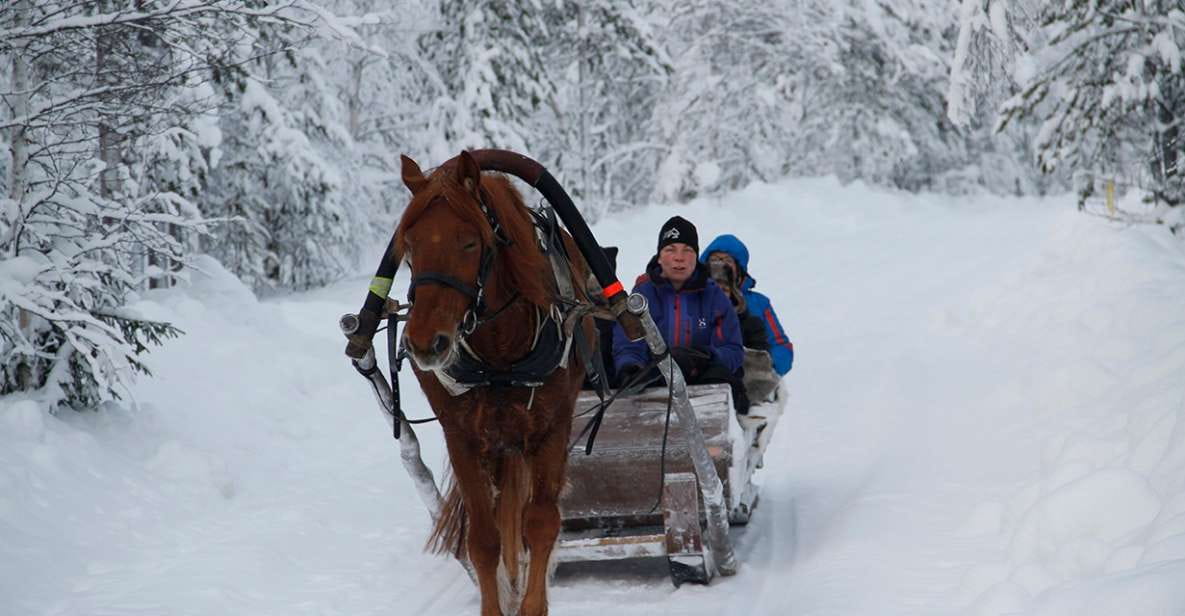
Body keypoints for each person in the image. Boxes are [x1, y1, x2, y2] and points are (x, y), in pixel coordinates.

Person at [612, 216, 750, 413]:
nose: (679, 257)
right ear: (659, 256)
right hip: (654, 385)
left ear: (697, 256)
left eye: (687, 250)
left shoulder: (714, 296)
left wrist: (704, 357)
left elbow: (733, 350)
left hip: (703, 386)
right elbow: (628, 344)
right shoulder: (642, 294)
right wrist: (630, 367)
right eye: (671, 249)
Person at [700, 234, 794, 376]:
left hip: (752, 377)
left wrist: (766, 369)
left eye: (727, 260)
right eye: (714, 259)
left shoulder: (759, 303)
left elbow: (781, 346)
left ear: (739, 267)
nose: (720, 264)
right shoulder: (692, 299)